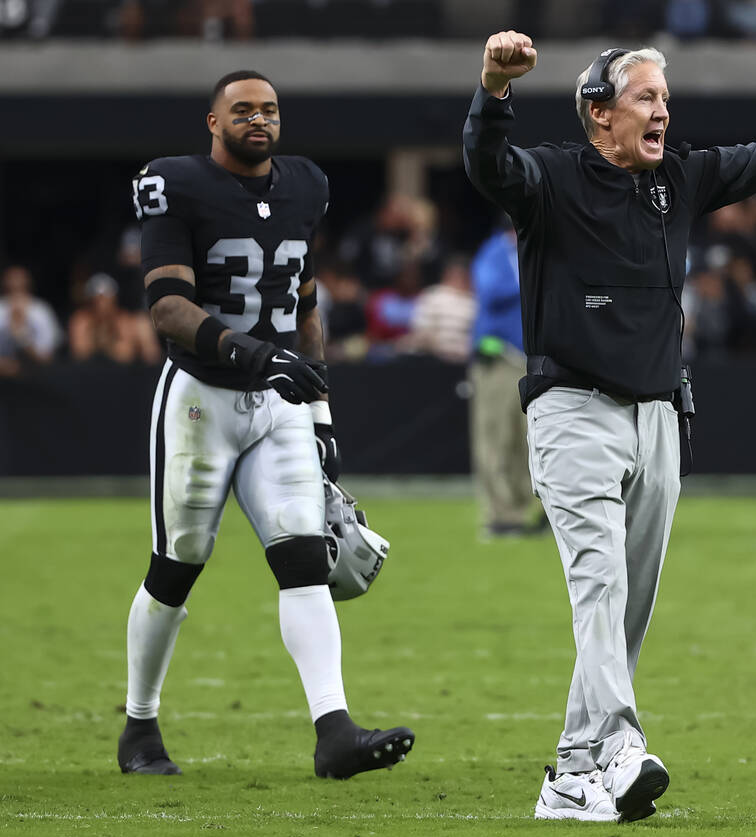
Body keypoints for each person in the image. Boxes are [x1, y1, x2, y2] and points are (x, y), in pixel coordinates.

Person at [464, 31, 756, 822]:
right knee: (600, 585)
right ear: (598, 114)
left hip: (656, 416)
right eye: (645, 98)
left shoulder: (675, 179)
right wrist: (493, 90)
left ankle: (572, 776)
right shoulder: (549, 175)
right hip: (572, 409)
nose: (662, 112)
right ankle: (618, 743)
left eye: (666, 98)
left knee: (629, 603)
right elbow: (487, 164)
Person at [118, 70, 413, 778]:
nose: (259, 119)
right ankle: (139, 725)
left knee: (304, 557)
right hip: (201, 398)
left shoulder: (305, 185)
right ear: (213, 123)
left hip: (279, 401)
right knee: (178, 563)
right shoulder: (175, 185)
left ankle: (334, 730)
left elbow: (304, 304)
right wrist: (254, 353)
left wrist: (321, 416)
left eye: (270, 109)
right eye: (242, 110)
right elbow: (167, 309)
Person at [469, 223, 541, 538]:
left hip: (532, 359)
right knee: (494, 440)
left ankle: (531, 509)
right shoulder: (495, 252)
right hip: (499, 359)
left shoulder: (537, 248)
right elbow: (490, 291)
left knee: (530, 441)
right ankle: (501, 516)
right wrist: (534, 275)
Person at [67, 272, 161, 365]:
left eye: (106, 299)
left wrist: (108, 343)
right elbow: (80, 352)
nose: (102, 304)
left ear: (114, 299)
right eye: (97, 300)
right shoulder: (81, 321)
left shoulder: (131, 321)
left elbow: (143, 355)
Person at [0, 264, 62, 376]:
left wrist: (22, 336)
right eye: (12, 278)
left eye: (20, 278)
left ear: (28, 281)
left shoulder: (41, 310)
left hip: (37, 379)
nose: (15, 282)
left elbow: (48, 357)